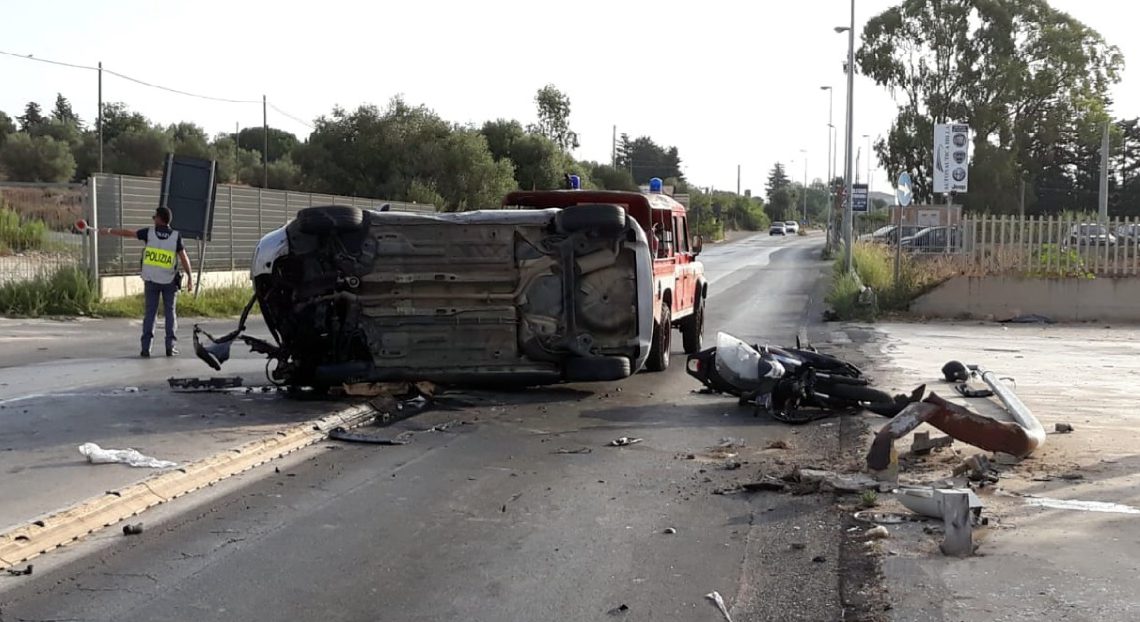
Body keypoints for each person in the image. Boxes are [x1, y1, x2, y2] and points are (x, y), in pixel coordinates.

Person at [95, 207, 194, 357]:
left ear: (160, 219)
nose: (153, 219)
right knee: (170, 314)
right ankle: (170, 346)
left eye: (154, 217)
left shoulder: (149, 233)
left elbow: (128, 233)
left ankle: (146, 348)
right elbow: (184, 258)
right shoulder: (175, 236)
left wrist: (109, 231)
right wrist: (190, 278)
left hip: (151, 280)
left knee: (150, 314)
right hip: (169, 281)